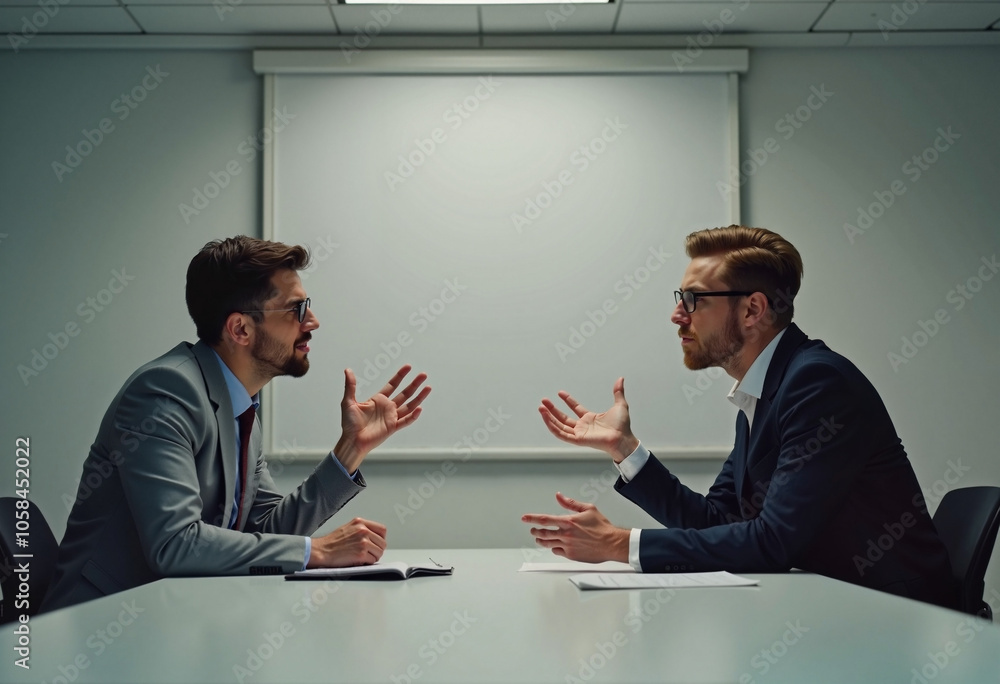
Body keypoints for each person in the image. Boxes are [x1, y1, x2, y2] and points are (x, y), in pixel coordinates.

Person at [523, 225, 956, 608]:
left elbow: (773, 541)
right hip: (830, 607)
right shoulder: (765, 390)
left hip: (894, 618)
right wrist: (626, 449)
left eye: (692, 300)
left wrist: (620, 544)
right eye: (680, 299)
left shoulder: (819, 384)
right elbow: (720, 521)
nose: (677, 315)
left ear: (752, 310)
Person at [42, 236, 430, 612]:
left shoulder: (238, 404)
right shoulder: (165, 393)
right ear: (241, 329)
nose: (312, 321)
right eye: (296, 309)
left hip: (170, 620)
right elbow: (174, 544)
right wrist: (319, 551)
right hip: (97, 629)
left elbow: (267, 529)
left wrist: (351, 450)